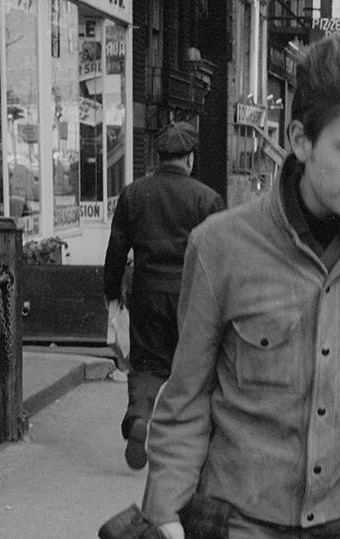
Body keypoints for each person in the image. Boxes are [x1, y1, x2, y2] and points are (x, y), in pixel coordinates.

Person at [142, 33, 340, 539]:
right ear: (300, 139)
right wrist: (164, 508)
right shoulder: (219, 247)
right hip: (245, 517)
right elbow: (187, 395)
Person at [103, 121, 225, 470]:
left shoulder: (134, 194)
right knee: (193, 368)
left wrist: (113, 292)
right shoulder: (207, 199)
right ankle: (186, 445)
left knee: (146, 364)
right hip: (192, 297)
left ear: (158, 158)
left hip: (147, 292)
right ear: (189, 158)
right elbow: (222, 256)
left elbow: (116, 249)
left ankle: (140, 417)